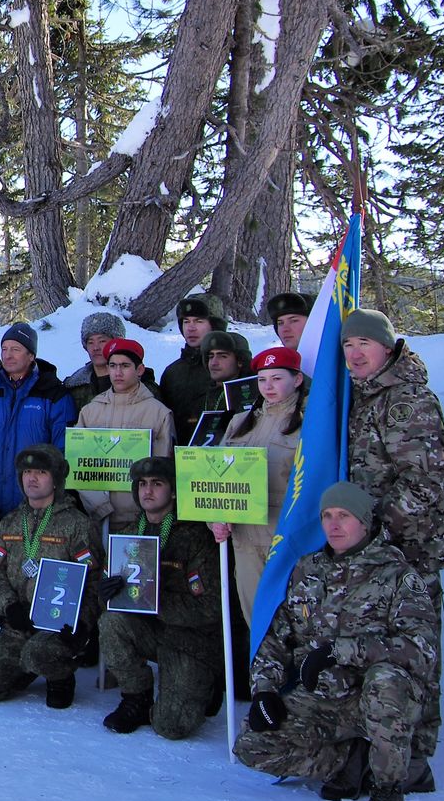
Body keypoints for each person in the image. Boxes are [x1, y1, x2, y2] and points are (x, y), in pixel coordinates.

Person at [233, 482, 438, 801]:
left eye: (344, 515)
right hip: (326, 699)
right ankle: (350, 760)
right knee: (252, 744)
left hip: (383, 699)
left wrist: (340, 651)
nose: (334, 524)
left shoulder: (397, 574)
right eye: (327, 515)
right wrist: (265, 690)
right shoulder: (307, 569)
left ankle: (387, 789)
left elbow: (421, 648)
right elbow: (277, 637)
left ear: (364, 522)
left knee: (385, 680)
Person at [343, 308, 444, 773]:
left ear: (387, 349)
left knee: (415, 647)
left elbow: (423, 482)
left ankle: (414, 760)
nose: (354, 354)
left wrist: (376, 529)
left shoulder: (408, 400)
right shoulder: (365, 395)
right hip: (372, 547)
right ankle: (377, 745)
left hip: (412, 549)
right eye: (348, 346)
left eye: (363, 345)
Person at [97, 457, 222, 738]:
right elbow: (110, 599)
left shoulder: (195, 536)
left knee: (171, 726)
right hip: (148, 631)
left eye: (157, 483)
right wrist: (104, 594)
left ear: (174, 491)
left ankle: (206, 684)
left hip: (188, 640)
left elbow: (211, 606)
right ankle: (136, 698)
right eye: (142, 484)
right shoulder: (128, 535)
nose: (147, 491)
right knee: (111, 621)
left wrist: (156, 601)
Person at [0, 445, 99, 709]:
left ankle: (61, 675)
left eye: (41, 472)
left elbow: (94, 579)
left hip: (57, 628)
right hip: (19, 623)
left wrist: (81, 625)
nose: (32, 478)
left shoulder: (77, 525)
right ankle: (29, 665)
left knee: (39, 654)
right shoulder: (10, 522)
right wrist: (8, 605)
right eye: (27, 472)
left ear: (56, 479)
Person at [0, 321, 76, 534]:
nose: (8, 355)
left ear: (31, 356)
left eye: (16, 349)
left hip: (35, 504)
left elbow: (64, 450)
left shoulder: (53, 394)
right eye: (4, 349)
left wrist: (58, 497)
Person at [211, 346, 305, 620]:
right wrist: (216, 519)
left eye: (277, 378)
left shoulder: (308, 423)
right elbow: (218, 478)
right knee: (256, 619)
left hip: (285, 539)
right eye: (262, 380)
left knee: (294, 620)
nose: (268, 386)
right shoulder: (241, 422)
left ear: (297, 379)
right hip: (244, 542)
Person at [75, 339, 175, 532]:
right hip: (97, 518)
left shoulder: (158, 413)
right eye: (112, 366)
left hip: (142, 518)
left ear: (139, 370)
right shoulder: (90, 411)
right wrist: (98, 506)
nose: (117, 372)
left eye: (125, 366)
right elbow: (79, 467)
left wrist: (148, 508)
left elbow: (164, 468)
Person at [158, 293, 227, 445]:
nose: (191, 328)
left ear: (214, 325)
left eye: (199, 321)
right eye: (186, 321)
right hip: (179, 458)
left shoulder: (232, 368)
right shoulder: (172, 373)